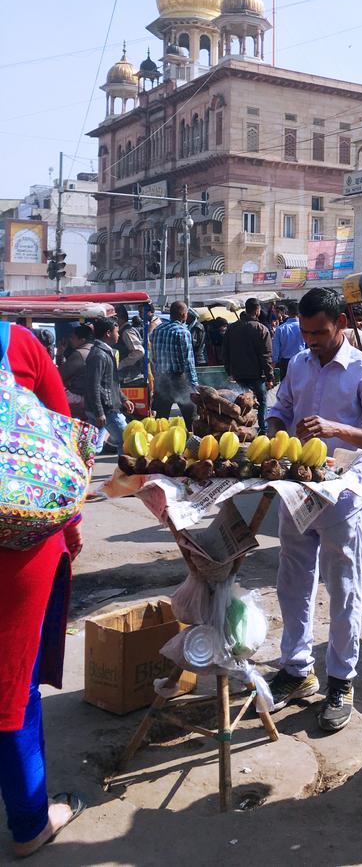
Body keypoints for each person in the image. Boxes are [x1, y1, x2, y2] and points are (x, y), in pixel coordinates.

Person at [266, 287, 362, 732]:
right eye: (305, 333)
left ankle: (341, 679)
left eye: (319, 332)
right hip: (298, 489)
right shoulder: (298, 363)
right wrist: (277, 434)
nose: (311, 341)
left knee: (343, 587)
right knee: (292, 582)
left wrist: (335, 428)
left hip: (342, 496)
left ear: (340, 324)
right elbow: (279, 408)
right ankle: (296, 670)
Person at [0, 322, 85, 856]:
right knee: (13, 684)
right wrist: (70, 531)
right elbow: (62, 439)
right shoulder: (17, 343)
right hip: (18, 545)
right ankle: (31, 820)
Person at [222, 298, 274, 433]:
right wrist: (270, 377)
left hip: (237, 374)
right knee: (262, 402)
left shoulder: (232, 328)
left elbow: (225, 352)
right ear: (257, 311)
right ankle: (263, 429)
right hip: (256, 375)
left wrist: (230, 371)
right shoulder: (262, 329)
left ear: (246, 309)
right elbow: (266, 356)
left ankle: (238, 428)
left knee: (238, 403)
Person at [84, 317, 133, 450]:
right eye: (116, 332)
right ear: (108, 333)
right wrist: (99, 412)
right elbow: (93, 385)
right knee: (128, 440)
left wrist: (123, 399)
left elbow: (110, 383)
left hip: (107, 407)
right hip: (107, 409)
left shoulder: (105, 352)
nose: (118, 335)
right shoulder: (99, 355)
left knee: (95, 446)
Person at [149, 301, 198, 426]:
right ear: (183, 315)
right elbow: (188, 361)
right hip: (178, 380)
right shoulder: (182, 332)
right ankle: (193, 443)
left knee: (161, 419)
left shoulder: (157, 330)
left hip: (161, 379)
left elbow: (153, 357)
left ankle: (159, 443)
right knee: (191, 416)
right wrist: (194, 384)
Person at [57, 324, 94, 417]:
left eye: (73, 338)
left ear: (82, 340)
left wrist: (58, 355)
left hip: (78, 395)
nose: (71, 340)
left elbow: (60, 375)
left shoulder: (80, 354)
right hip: (89, 396)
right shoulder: (96, 350)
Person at [271, 300, 304, 379]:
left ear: (288, 312)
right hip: (302, 361)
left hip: (285, 363)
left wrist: (272, 368)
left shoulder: (280, 329)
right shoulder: (304, 327)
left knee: (286, 388)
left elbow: (275, 351)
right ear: (299, 312)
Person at [114, 305, 145, 384]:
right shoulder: (125, 330)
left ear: (118, 319)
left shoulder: (126, 332)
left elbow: (139, 352)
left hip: (129, 377)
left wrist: (121, 364)